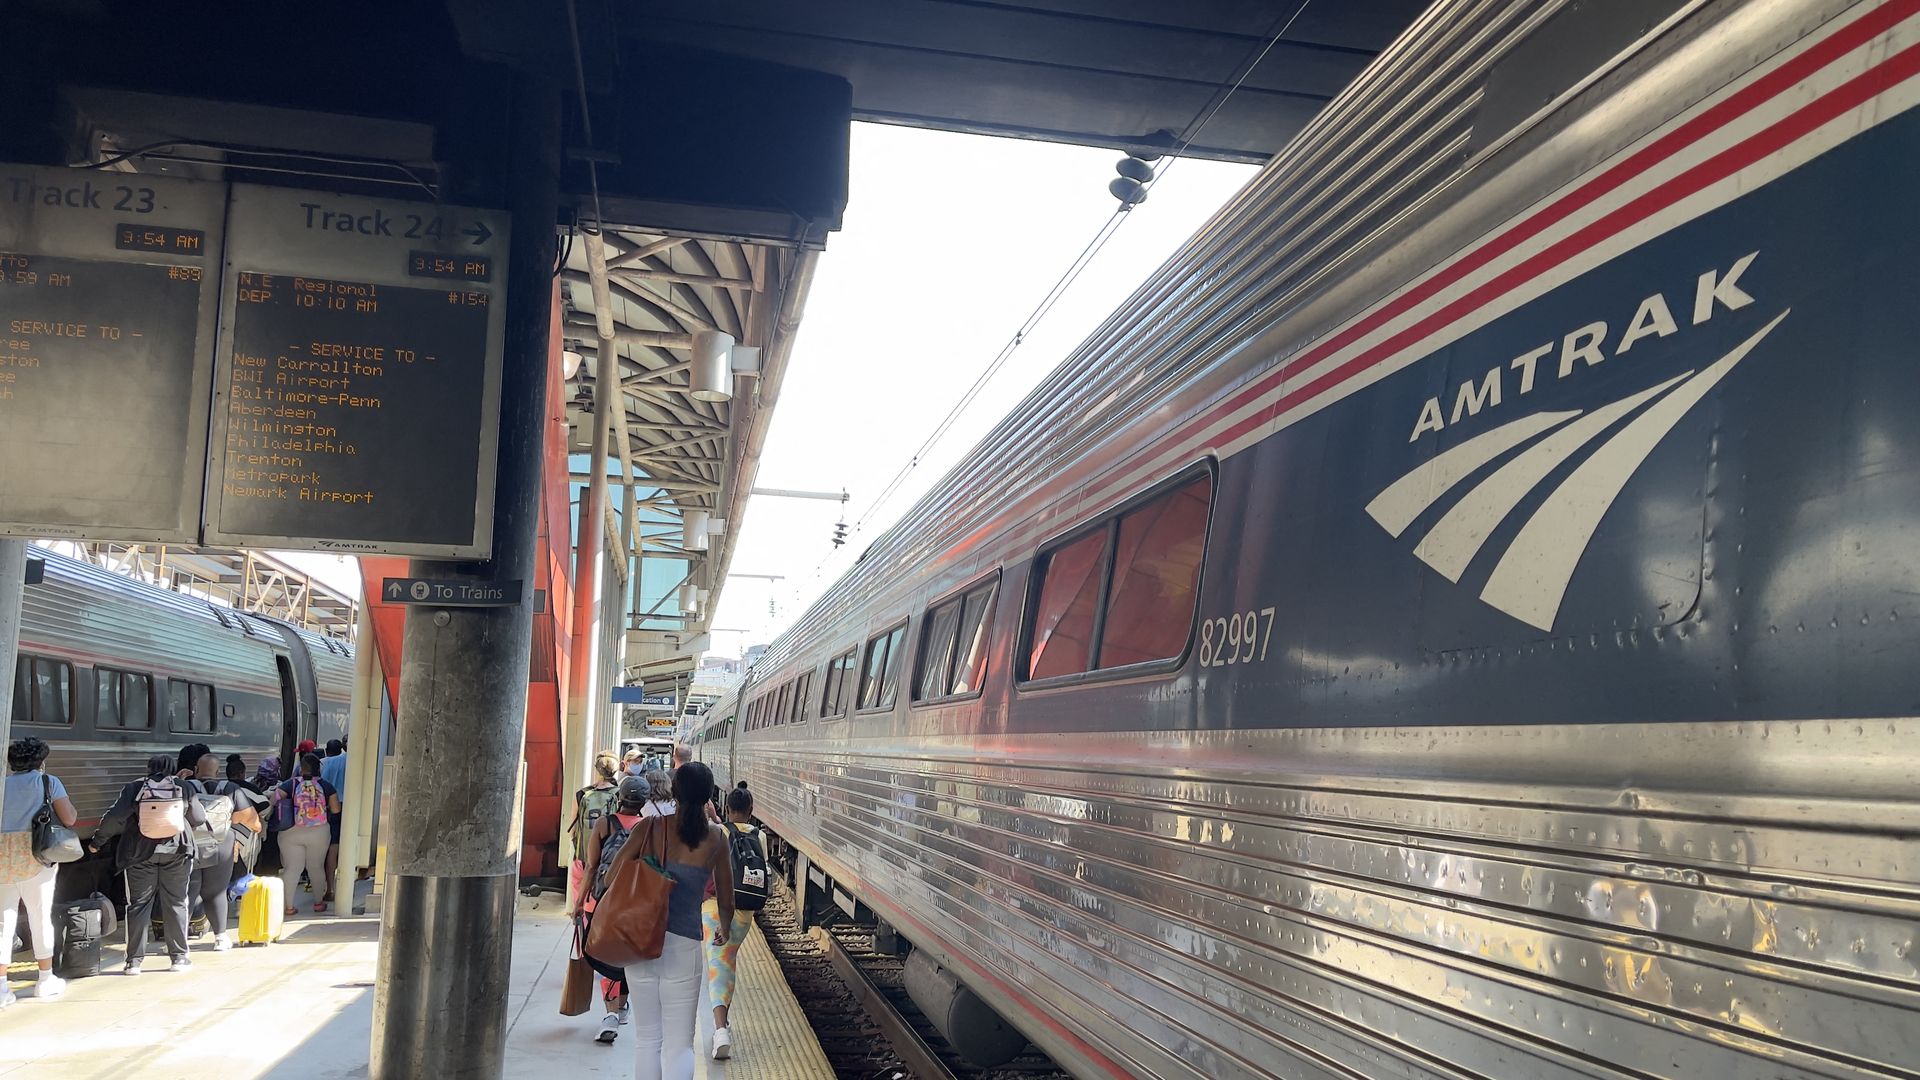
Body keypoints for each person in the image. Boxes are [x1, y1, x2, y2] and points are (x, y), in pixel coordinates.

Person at [601, 762, 734, 1080]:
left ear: (674, 792)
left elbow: (610, 877)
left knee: (647, 1040)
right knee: (679, 1045)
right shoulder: (716, 838)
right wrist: (724, 928)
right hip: (684, 947)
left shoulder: (648, 828)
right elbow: (727, 900)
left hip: (640, 941)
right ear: (708, 798)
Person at [94, 753, 207, 974]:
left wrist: (97, 842)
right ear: (173, 768)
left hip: (139, 854)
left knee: (138, 905)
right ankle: (179, 958)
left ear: (148, 768)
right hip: (177, 851)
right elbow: (199, 818)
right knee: (176, 902)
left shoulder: (135, 788)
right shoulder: (183, 787)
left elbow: (115, 817)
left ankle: (133, 962)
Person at [1, 737, 77, 1004]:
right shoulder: (48, 782)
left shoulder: (1, 783)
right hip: (36, 856)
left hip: (2, 856)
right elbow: (69, 818)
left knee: (2, 922)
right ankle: (45, 979)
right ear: (40, 762)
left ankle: (1, 987)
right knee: (40, 915)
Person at [578, 774, 652, 1045]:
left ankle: (611, 1014)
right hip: (636, 904)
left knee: (605, 955)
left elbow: (591, 866)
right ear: (645, 801)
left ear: (620, 798)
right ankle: (622, 1006)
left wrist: (579, 902)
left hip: (603, 902)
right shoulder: (649, 828)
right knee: (627, 957)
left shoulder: (604, 824)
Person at [702, 781, 761, 1059]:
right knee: (729, 963)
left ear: (727, 807)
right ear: (751, 811)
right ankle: (724, 1023)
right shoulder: (758, 835)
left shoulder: (717, 832)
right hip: (745, 912)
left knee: (718, 967)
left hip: (715, 909)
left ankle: (720, 1030)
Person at [185, 753, 248, 951]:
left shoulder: (185, 787)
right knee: (216, 892)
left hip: (190, 844)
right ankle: (220, 938)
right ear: (218, 771)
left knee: (185, 892)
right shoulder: (231, 789)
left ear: (196, 769)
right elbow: (250, 819)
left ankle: (180, 940)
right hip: (221, 844)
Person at [271, 753, 340, 916]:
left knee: (292, 868)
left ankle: (288, 906)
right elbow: (336, 809)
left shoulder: (291, 784)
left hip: (291, 831)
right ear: (318, 769)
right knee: (315, 867)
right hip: (319, 831)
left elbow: (274, 799)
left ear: (301, 769)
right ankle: (318, 903)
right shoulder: (327, 786)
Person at [568, 751, 621, 907]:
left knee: (581, 894)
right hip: (608, 856)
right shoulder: (619, 794)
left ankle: (581, 917)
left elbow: (573, 827)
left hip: (583, 854)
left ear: (596, 769)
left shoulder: (583, 794)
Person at [319, 739, 348, 908]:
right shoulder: (358, 762)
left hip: (332, 807)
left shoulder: (330, 762)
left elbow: (323, 785)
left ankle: (330, 888)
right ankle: (346, 885)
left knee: (332, 847)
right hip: (352, 808)